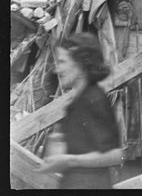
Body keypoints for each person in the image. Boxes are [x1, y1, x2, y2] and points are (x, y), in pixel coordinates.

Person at [39, 34, 123, 189]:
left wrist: (70, 160)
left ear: (81, 63)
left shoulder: (94, 99)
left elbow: (117, 155)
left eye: (62, 62)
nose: (57, 69)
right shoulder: (77, 101)